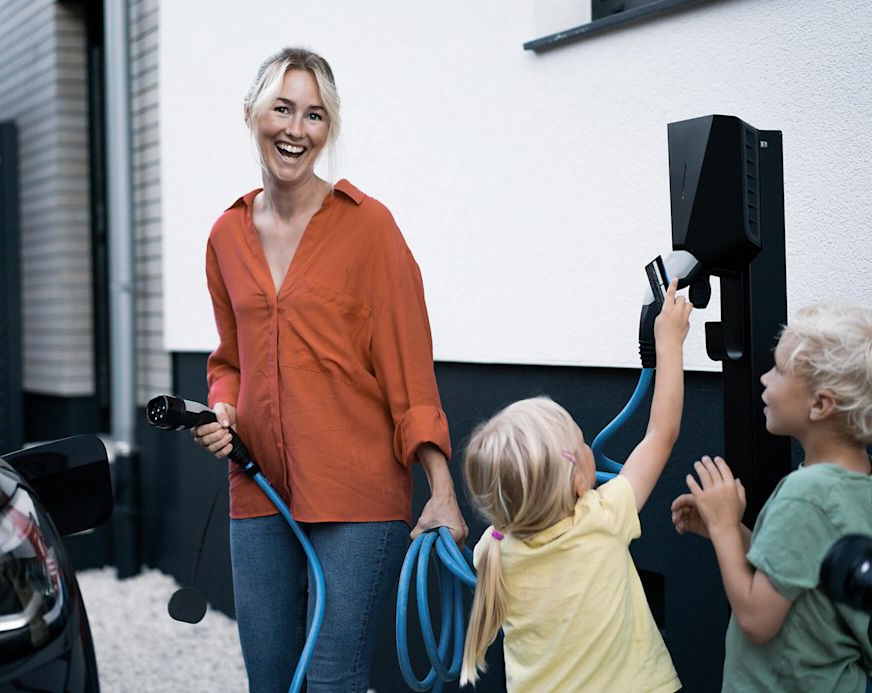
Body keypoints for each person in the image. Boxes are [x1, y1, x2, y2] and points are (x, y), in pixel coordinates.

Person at [190, 47, 468, 692]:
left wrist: (441, 489)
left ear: (329, 128)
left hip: (356, 489)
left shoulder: (370, 228)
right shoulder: (224, 235)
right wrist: (223, 404)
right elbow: (229, 359)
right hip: (257, 484)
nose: (296, 129)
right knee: (270, 677)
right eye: (282, 109)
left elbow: (408, 367)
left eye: (314, 116)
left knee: (331, 676)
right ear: (250, 114)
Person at [459, 279, 692, 692]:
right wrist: (670, 342)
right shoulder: (602, 517)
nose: (589, 446)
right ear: (579, 481)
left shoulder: (492, 550)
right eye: (582, 443)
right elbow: (660, 434)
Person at [671, 302, 872, 692]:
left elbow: (757, 618)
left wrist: (727, 526)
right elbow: (794, 569)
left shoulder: (807, 495)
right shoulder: (854, 484)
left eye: (778, 370)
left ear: (820, 404)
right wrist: (722, 528)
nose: (764, 379)